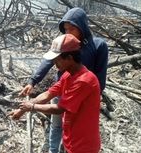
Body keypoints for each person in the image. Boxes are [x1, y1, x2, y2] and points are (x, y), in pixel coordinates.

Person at [19, 7, 108, 153]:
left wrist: (31, 107)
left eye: (72, 29)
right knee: (59, 125)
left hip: (82, 97)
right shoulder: (67, 72)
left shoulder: (97, 47)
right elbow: (49, 91)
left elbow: (99, 78)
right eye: (65, 30)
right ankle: (56, 149)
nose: (68, 33)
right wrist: (32, 82)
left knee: (79, 128)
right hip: (65, 92)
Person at [10, 34, 101, 153]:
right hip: (71, 138)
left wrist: (32, 107)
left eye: (57, 59)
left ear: (69, 57)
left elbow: (59, 108)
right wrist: (22, 110)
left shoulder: (84, 80)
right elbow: (48, 94)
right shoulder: (68, 75)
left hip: (83, 144)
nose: (54, 63)